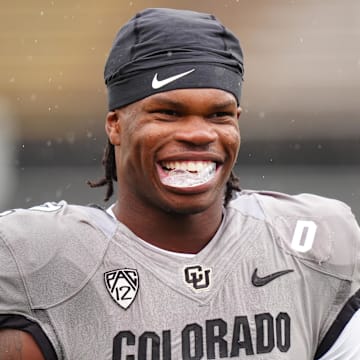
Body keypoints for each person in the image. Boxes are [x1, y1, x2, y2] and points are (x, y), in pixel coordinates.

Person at [0, 7, 359, 360]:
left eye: (219, 114)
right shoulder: (37, 258)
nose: (199, 134)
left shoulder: (310, 243)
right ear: (115, 124)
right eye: (169, 113)